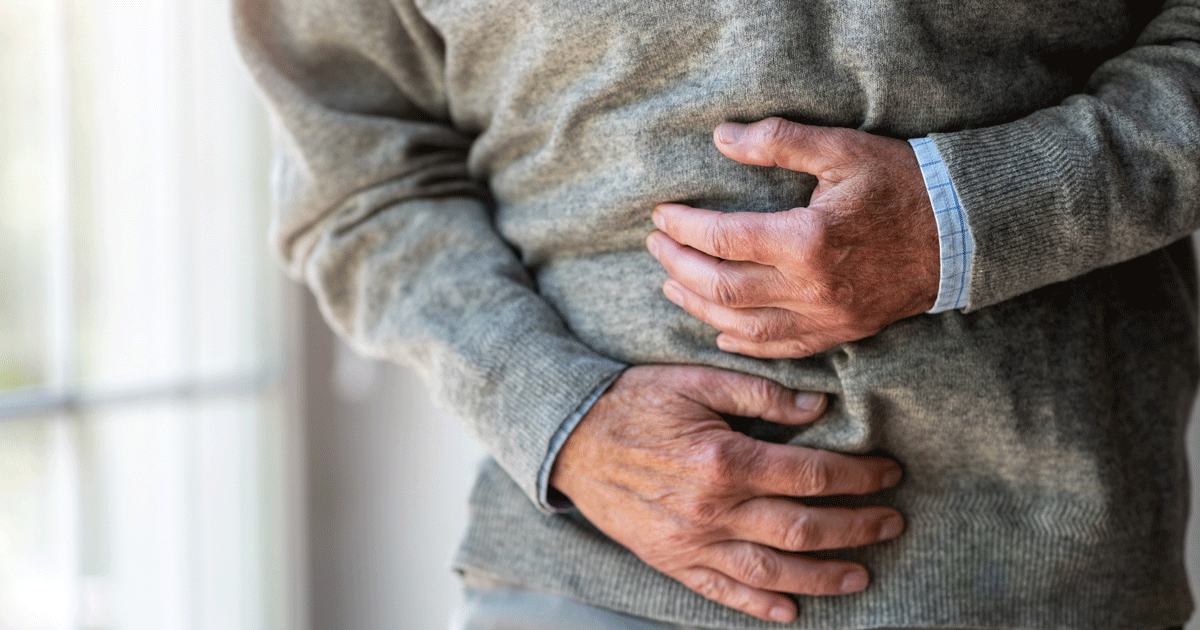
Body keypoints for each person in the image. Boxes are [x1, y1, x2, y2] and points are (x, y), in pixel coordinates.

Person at [234, 0, 1200, 628]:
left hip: (1053, 576)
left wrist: (978, 215)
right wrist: (555, 416)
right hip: (585, 586)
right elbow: (357, 179)